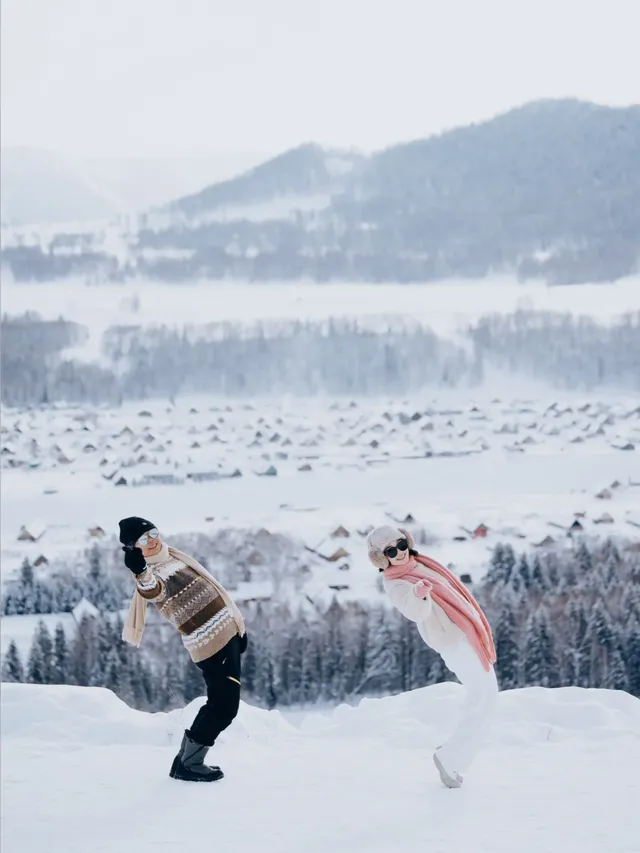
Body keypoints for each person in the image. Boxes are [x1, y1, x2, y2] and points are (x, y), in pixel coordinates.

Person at [366, 525, 498, 788]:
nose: (400, 553)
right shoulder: (396, 582)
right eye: (391, 551)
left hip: (465, 634)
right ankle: (450, 759)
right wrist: (419, 594)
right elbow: (414, 611)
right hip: (453, 641)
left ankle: (452, 756)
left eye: (402, 544)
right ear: (382, 558)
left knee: (486, 696)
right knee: (483, 696)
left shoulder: (420, 563)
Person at [118, 516, 247, 783]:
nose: (152, 539)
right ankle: (188, 763)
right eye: (143, 539)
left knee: (221, 704)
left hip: (227, 635)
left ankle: (187, 762)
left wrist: (236, 629)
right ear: (133, 547)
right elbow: (152, 590)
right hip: (211, 645)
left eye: (153, 532)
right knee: (223, 707)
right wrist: (140, 571)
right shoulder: (152, 572)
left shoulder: (172, 557)